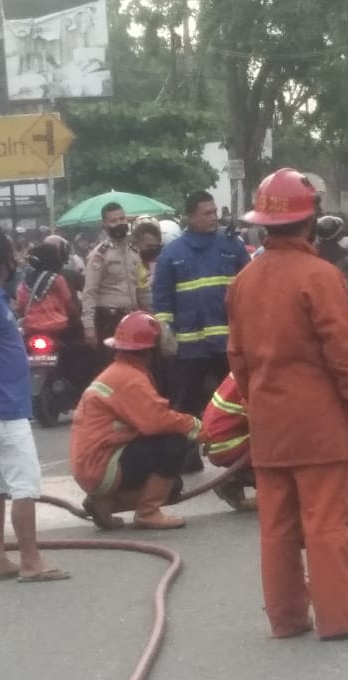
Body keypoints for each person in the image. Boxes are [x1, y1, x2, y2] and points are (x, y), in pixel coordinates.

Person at [227, 167, 348, 641]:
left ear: (263, 224)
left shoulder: (244, 281)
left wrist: (260, 401)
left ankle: (288, 618)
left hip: (268, 422)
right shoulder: (321, 277)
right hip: (317, 424)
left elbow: (237, 360)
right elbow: (345, 356)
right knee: (325, 523)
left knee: (276, 527)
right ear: (311, 220)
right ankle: (341, 618)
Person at [201, 292, 348, 504]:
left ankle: (322, 480)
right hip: (229, 440)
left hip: (231, 434)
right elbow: (345, 395)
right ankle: (242, 481)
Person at [0, 227, 68, 583]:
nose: (17, 259)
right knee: (24, 487)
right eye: (11, 252)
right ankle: (31, 561)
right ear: (0, 258)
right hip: (1, 408)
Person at [70, 311, 201, 530]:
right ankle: (147, 512)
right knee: (174, 442)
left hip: (94, 464)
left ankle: (106, 503)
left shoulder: (120, 372)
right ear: (150, 350)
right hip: (102, 466)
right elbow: (157, 421)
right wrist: (197, 427)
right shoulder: (130, 379)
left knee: (172, 486)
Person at [152, 190, 251, 471]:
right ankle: (185, 459)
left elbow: (249, 287)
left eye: (214, 212)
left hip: (227, 344)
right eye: (206, 213)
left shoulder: (232, 246)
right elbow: (162, 297)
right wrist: (164, 329)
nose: (213, 218)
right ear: (190, 217)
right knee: (185, 404)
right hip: (188, 347)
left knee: (238, 401)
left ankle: (242, 458)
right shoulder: (172, 253)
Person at [81, 201, 147, 350]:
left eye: (122, 219)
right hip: (109, 320)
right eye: (113, 220)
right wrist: (89, 326)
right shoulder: (100, 255)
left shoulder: (134, 251)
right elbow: (89, 292)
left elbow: (143, 289)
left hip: (132, 319)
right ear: (105, 225)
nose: (119, 223)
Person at [15, 242, 79, 336]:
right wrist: (75, 316)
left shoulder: (26, 281)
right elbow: (68, 301)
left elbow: (21, 304)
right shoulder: (58, 279)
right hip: (57, 326)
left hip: (31, 327)